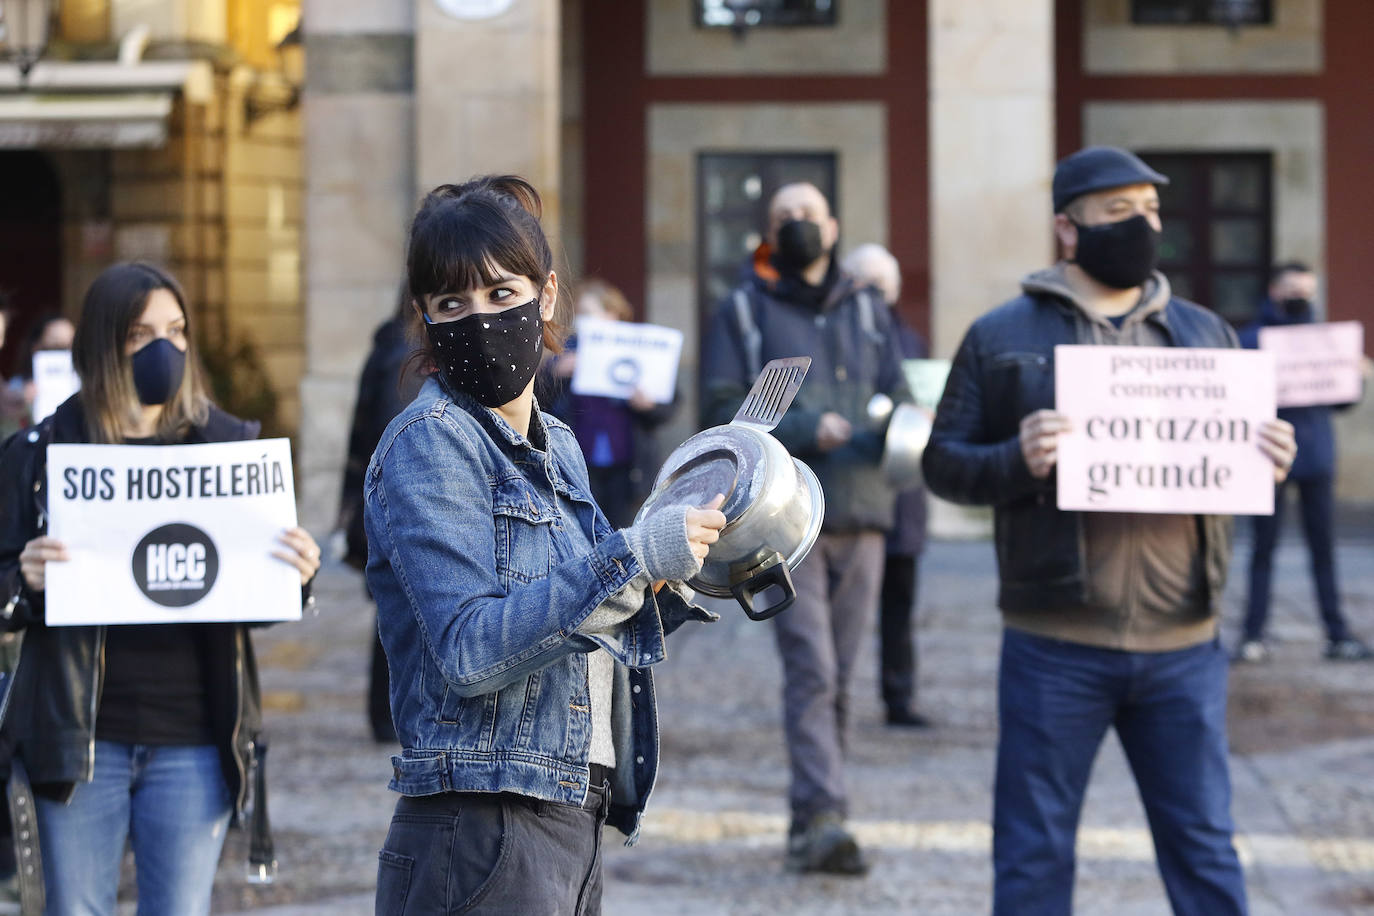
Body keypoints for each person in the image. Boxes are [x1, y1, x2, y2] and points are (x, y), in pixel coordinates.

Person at [922, 146, 1298, 915]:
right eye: (1119, 212)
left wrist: (1266, 458)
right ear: (1068, 228)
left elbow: (1233, 457)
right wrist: (1016, 459)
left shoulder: (1207, 337)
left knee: (1205, 851)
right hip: (1053, 647)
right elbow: (944, 465)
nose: (1144, 225)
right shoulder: (1002, 336)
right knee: (1033, 857)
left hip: (1184, 647)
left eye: (1151, 211)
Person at [365, 175, 726, 915]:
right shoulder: (430, 443)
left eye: (502, 295)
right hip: (481, 822)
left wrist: (674, 571)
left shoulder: (557, 444)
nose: (481, 319)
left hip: (568, 811)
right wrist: (631, 558)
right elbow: (469, 649)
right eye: (452, 304)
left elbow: (572, 619)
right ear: (424, 318)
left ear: (546, 295)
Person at [0, 261, 322, 916]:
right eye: (142, 334)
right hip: (77, 741)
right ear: (101, 343)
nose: (164, 349)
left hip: (195, 738)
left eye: (177, 331)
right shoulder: (38, 455)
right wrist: (22, 581)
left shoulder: (224, 445)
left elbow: (248, 595)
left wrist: (295, 573)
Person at [700, 182, 912, 875]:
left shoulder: (869, 308)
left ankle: (814, 815)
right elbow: (724, 407)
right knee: (812, 667)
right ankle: (825, 814)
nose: (797, 225)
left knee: (842, 672)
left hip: (863, 509)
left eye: (808, 216)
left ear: (834, 226)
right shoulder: (742, 307)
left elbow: (901, 396)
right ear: (768, 230)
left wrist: (902, 432)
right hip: (779, 522)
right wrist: (802, 428)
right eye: (783, 217)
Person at [1234, 262, 1371, 663]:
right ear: (1274, 290)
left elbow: (1342, 403)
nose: (1299, 296)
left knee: (1322, 549)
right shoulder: (1252, 340)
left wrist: (1354, 376)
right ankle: (1252, 634)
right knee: (1263, 548)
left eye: (1306, 290)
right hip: (1268, 458)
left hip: (1317, 458)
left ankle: (1337, 633)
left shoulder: (1326, 343)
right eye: (1292, 288)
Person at [840, 243, 933, 728]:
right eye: (867, 283)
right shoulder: (844, 334)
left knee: (900, 600)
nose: (877, 294)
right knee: (844, 609)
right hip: (856, 483)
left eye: (883, 286)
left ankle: (900, 695)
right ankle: (837, 697)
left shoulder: (910, 340)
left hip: (903, 489)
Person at [338, 289, 422, 743]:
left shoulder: (389, 344)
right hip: (400, 504)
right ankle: (389, 717)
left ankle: (386, 715)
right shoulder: (405, 354)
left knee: (394, 609)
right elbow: (396, 435)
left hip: (384, 502)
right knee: (400, 611)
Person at [542, 278, 678, 528]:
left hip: (627, 466)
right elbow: (540, 401)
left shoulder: (640, 349)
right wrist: (555, 374)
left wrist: (648, 405)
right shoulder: (566, 351)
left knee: (620, 528)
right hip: (580, 461)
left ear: (612, 313)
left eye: (590, 313)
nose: (583, 320)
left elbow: (669, 404)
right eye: (580, 314)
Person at [0, 312, 75, 435]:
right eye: (55, 345)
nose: (64, 351)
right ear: (35, 346)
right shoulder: (15, 389)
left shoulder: (86, 388)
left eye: (70, 344)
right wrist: (23, 404)